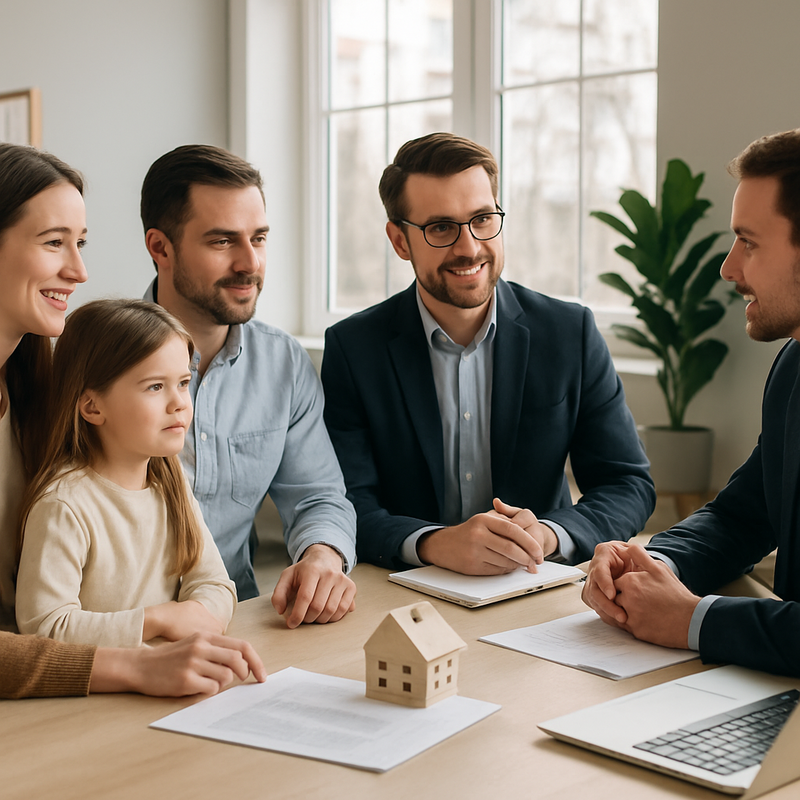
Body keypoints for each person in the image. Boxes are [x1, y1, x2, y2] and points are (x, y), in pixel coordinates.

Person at [321, 132, 655, 573]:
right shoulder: (353, 347)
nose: (469, 248)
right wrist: (434, 544)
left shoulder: (569, 332)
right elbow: (345, 500)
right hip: (404, 589)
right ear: (400, 241)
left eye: (482, 219)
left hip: (536, 580)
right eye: (441, 228)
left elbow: (626, 482)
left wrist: (549, 534)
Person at [0, 143, 265, 697]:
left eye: (81, 243)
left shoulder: (38, 385)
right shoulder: (66, 495)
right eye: (54, 243)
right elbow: (43, 620)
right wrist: (142, 656)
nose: (79, 271)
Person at [582, 128, 800, 678]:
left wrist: (693, 620)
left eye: (748, 242)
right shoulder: (794, 367)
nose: (728, 269)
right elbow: (741, 516)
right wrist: (654, 563)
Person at [140, 144, 357, 627]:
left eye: (258, 238)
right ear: (161, 248)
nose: (249, 263)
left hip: (239, 620)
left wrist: (323, 555)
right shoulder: (96, 360)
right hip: (127, 630)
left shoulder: (283, 363)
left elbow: (317, 495)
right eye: (222, 241)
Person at [16, 299, 237, 646]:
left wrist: (198, 617)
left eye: (182, 382)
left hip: (169, 677)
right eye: (154, 386)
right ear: (92, 406)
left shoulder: (170, 480)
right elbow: (45, 627)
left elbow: (214, 584)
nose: (179, 401)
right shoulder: (63, 505)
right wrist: (160, 619)